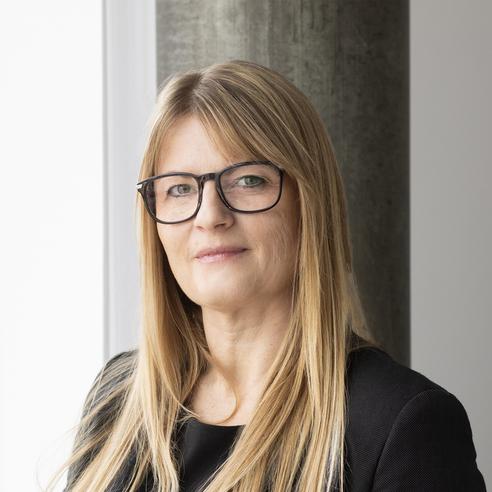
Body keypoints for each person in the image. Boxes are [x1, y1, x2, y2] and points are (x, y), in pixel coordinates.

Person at [47, 60, 486, 492]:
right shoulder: (118, 398)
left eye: (248, 180)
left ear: (309, 202)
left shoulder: (401, 425)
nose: (210, 216)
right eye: (180, 188)